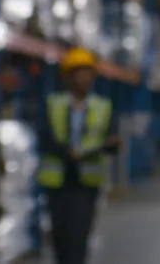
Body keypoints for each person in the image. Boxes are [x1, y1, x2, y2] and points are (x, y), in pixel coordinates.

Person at [37, 47, 120, 264]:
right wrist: (67, 153)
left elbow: (110, 139)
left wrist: (110, 145)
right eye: (79, 73)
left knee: (79, 236)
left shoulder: (103, 107)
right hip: (58, 181)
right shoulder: (53, 104)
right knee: (60, 236)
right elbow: (44, 136)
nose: (84, 78)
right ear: (68, 77)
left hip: (86, 182)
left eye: (88, 73)